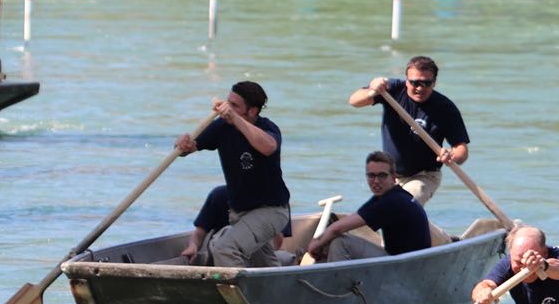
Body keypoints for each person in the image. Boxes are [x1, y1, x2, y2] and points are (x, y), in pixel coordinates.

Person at [170, 82, 290, 268]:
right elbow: (191, 147)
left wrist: (235, 118)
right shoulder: (222, 127)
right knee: (264, 266)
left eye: (235, 106)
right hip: (240, 213)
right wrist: (183, 145)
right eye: (228, 103)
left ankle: (237, 296)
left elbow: (268, 147)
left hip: (270, 211)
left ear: (252, 111)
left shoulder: (267, 127)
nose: (227, 110)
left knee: (225, 249)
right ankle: (279, 293)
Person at [348, 56, 469, 205]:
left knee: (401, 205)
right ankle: (431, 229)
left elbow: (462, 151)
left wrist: (452, 155)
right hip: (390, 175)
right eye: (415, 83)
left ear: (434, 83)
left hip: (424, 176)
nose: (420, 88)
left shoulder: (445, 108)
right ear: (406, 80)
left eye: (426, 83)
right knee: (385, 214)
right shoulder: (392, 89)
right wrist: (373, 89)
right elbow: (354, 101)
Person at [305, 152, 434, 263]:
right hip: (404, 260)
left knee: (340, 242)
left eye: (382, 175)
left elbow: (338, 228)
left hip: (404, 266)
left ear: (394, 178)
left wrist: (315, 244)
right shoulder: (393, 195)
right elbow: (350, 221)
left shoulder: (391, 202)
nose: (376, 181)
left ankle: (336, 288)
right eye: (371, 175)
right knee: (331, 240)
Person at [177, 185, 295, 266]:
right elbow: (199, 233)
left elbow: (277, 243)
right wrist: (193, 246)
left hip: (258, 253)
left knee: (285, 257)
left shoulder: (277, 200)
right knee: (228, 234)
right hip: (220, 251)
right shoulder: (219, 195)